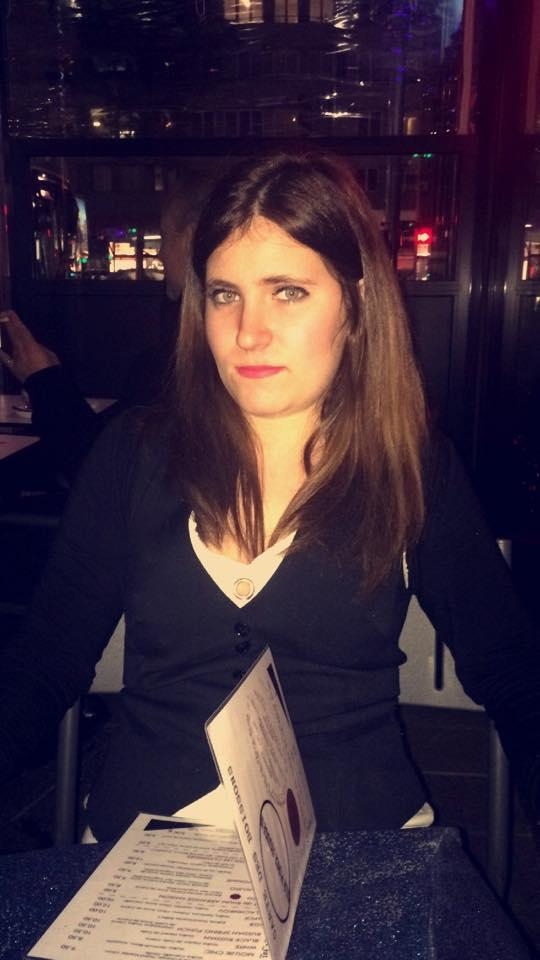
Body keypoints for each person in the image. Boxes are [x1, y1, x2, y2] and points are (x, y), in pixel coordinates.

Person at [0, 151, 538, 842]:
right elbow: (44, 663)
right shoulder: (135, 453)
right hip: (145, 846)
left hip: (352, 843)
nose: (248, 333)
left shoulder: (412, 468)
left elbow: (511, 672)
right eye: (226, 294)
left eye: (287, 291)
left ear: (355, 303)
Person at [0, 171, 211, 482]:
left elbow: (106, 472)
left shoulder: (182, 360)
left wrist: (43, 380)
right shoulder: (184, 341)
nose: (161, 253)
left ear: (191, 240)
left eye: (166, 236)